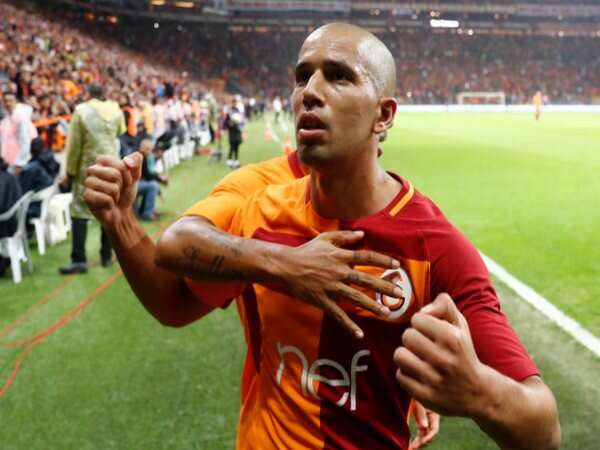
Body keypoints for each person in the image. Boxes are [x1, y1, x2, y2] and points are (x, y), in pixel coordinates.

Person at [83, 23, 559, 449]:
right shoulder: (260, 206)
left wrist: (477, 390)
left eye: (338, 76)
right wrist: (285, 264)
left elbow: (544, 432)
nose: (310, 92)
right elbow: (175, 292)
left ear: (384, 115)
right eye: (301, 77)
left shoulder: (433, 246)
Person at [59, 84, 125, 274]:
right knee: (107, 207)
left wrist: (70, 171)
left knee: (79, 212)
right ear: (104, 93)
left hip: (88, 168)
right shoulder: (115, 109)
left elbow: (74, 145)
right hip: (111, 165)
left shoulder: (81, 111)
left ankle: (79, 259)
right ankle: (106, 255)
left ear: (88, 94)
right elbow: (120, 131)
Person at [0, 90, 38, 173]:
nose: (8, 103)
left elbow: (25, 142)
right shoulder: (7, 117)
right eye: (5, 101)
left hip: (18, 163)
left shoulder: (21, 118)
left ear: (16, 101)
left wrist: (20, 163)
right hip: (9, 160)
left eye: (11, 101)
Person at [0, 156, 22, 276]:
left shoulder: (3, 179)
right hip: (13, 222)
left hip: (5, 225)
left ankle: (5, 259)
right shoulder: (9, 176)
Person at [136, 138, 168, 221]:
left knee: (153, 185)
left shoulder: (143, 156)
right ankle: (147, 213)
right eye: (149, 150)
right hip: (132, 186)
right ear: (144, 149)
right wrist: (160, 179)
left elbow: (148, 175)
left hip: (138, 183)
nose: (151, 152)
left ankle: (146, 210)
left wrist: (159, 178)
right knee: (153, 186)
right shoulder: (140, 157)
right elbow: (148, 176)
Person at [224, 99, 244, 169]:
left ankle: (236, 160)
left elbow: (242, 120)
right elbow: (226, 122)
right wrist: (230, 124)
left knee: (237, 145)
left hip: (237, 130)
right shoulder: (229, 111)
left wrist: (240, 123)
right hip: (232, 131)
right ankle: (229, 160)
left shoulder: (238, 110)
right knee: (232, 146)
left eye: (235, 103)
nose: (234, 104)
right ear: (231, 103)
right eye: (233, 103)